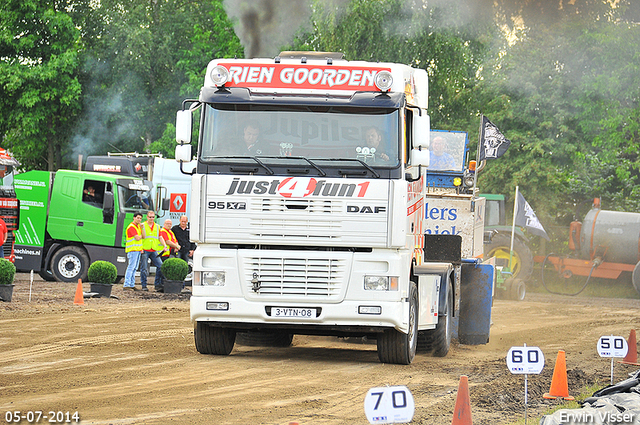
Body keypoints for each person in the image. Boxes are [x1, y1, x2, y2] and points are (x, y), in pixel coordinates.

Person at [140, 211, 167, 292]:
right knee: (144, 268)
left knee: (161, 266)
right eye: (150, 217)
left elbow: (160, 237)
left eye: (153, 217)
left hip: (154, 249)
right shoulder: (143, 225)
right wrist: (140, 248)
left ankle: (157, 284)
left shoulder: (157, 226)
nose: (151, 218)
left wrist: (164, 245)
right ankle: (144, 285)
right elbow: (141, 237)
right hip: (145, 249)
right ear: (147, 217)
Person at [123, 212, 144, 291]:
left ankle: (131, 284)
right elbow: (138, 238)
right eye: (138, 218)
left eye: (140, 218)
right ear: (134, 218)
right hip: (132, 250)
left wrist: (142, 229)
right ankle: (127, 284)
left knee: (134, 268)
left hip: (137, 250)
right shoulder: (131, 227)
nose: (139, 220)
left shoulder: (137, 227)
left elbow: (142, 237)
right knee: (131, 267)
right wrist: (141, 234)